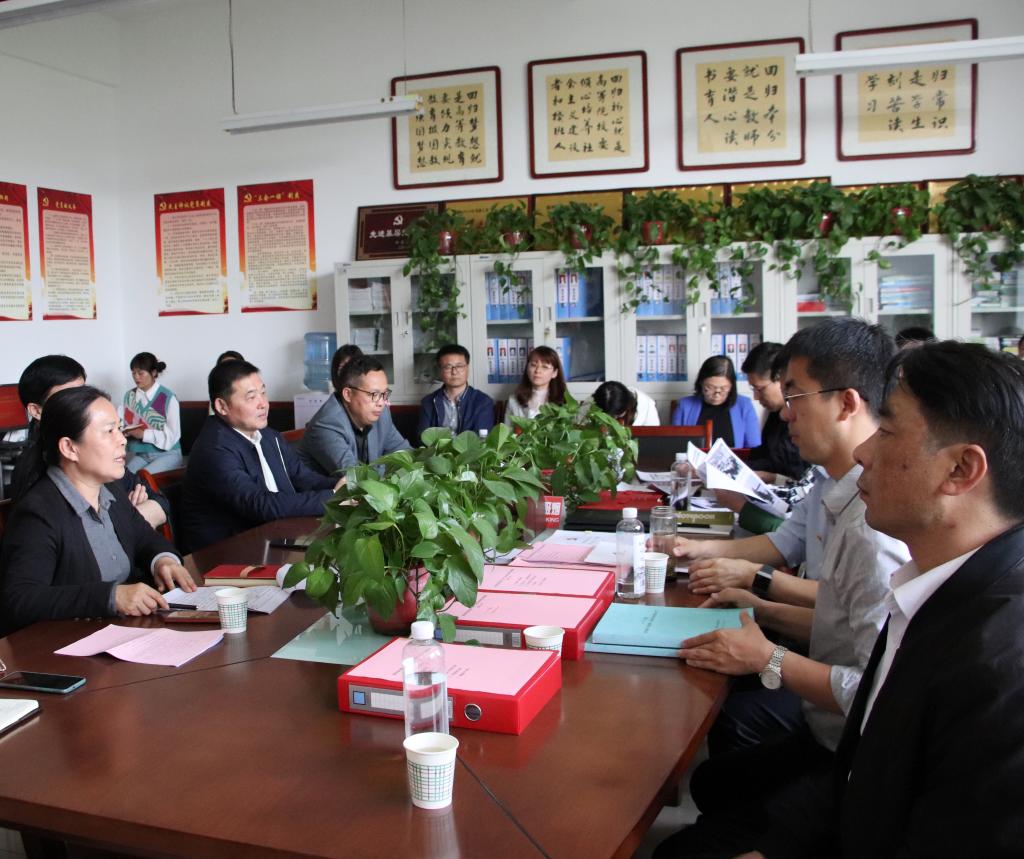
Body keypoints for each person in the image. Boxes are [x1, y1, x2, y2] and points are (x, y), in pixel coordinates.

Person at [676, 342, 1024, 858]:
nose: (864, 454)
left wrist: (770, 655)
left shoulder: (999, 666)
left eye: (888, 432)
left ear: (960, 470)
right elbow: (861, 765)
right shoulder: (932, 589)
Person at [656, 320, 908, 856]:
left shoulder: (873, 526)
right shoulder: (833, 484)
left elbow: (877, 694)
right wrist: (758, 605)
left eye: (794, 396)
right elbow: (836, 618)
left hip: (851, 758)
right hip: (825, 730)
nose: (784, 412)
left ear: (846, 402)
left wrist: (768, 657)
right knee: (712, 783)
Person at [0, 386, 195, 637]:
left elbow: (144, 538)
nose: (122, 439)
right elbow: (21, 599)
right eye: (109, 431)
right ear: (69, 448)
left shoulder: (110, 490)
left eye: (120, 429)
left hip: (119, 634)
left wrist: (163, 560)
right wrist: (112, 597)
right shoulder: (38, 513)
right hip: (64, 645)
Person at [182, 360, 340, 552]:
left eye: (263, 393)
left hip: (275, 541)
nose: (263, 404)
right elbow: (261, 505)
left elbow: (304, 478)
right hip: (227, 554)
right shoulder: (214, 450)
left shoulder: (269, 436)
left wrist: (345, 486)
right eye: (251, 397)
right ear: (222, 406)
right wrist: (334, 497)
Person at [10, 355, 168, 530]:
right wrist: (128, 515)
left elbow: (160, 504)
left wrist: (125, 518)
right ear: (36, 410)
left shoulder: (99, 451)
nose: (84, 404)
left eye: (84, 392)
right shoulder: (33, 474)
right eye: (70, 395)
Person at [298, 355, 410, 475]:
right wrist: (391, 467)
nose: (381, 403)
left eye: (384, 394)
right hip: (328, 487)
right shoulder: (326, 425)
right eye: (374, 394)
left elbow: (406, 455)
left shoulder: (381, 414)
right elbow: (355, 477)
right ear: (348, 394)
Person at [671, 355, 760, 448]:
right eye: (710, 387)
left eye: (724, 388)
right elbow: (676, 446)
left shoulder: (744, 406)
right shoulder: (684, 406)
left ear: (732, 386)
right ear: (701, 383)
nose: (717, 394)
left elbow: (754, 447)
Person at [120, 352, 183, 474]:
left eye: (140, 373)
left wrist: (143, 435)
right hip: (142, 454)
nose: (136, 377)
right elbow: (120, 422)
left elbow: (172, 435)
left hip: (168, 454)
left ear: (153, 373)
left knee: (142, 479)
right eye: (133, 373)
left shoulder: (168, 398)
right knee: (124, 477)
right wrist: (124, 430)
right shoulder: (129, 396)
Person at [417, 344, 494, 442]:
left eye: (459, 366)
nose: (454, 372)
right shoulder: (428, 402)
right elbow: (423, 438)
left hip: (470, 452)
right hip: (437, 451)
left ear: (467, 368)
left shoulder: (483, 402)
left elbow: (481, 439)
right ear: (440, 370)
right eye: (448, 367)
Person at [504, 345, 567, 424]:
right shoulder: (513, 400)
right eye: (533, 365)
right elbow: (506, 430)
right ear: (527, 369)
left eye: (544, 367)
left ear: (555, 373)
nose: (537, 370)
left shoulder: (564, 401)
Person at [590, 380, 660, 426]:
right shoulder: (592, 402)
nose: (613, 419)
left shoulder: (648, 409)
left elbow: (653, 438)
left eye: (616, 415)